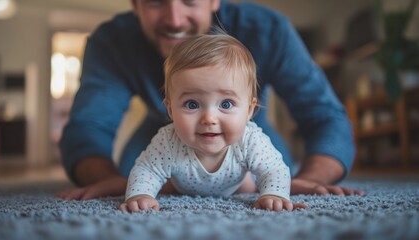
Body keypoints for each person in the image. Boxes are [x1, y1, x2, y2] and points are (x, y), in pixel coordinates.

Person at [57, 0, 364, 201]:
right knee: (134, 171)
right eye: (154, 1)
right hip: (159, 131)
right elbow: (89, 126)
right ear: (135, 4)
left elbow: (324, 116)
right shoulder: (112, 41)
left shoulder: (268, 30)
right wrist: (117, 183)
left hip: (247, 131)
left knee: (271, 167)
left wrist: (307, 181)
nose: (175, 19)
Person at [119, 33, 307, 212]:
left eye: (226, 104)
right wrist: (141, 194)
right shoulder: (168, 140)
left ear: (249, 110)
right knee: (161, 188)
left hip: (238, 188)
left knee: (253, 188)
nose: (209, 118)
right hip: (180, 188)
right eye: (192, 104)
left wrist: (274, 194)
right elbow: (147, 169)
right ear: (170, 110)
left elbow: (273, 168)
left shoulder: (249, 139)